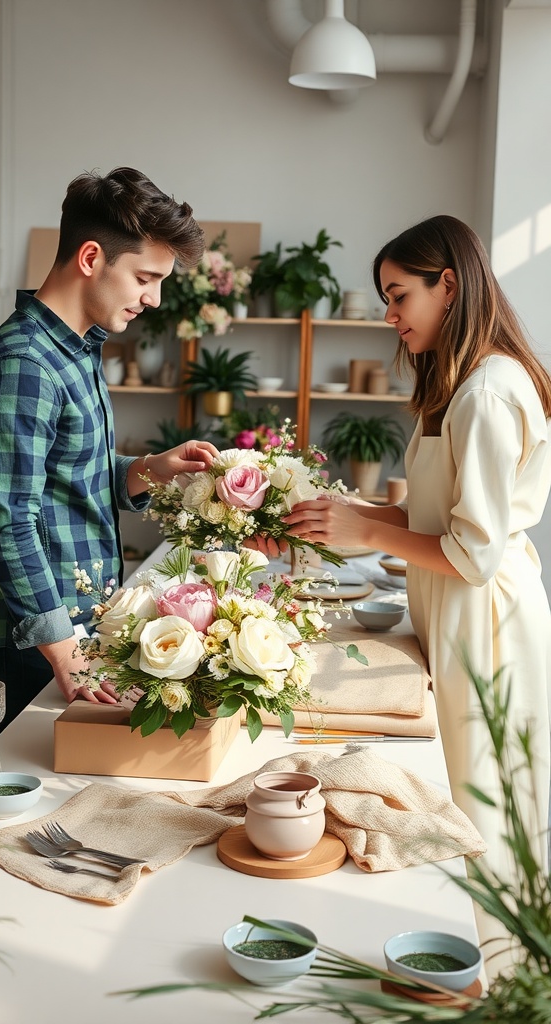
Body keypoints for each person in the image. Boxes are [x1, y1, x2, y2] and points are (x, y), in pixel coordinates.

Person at [282, 214, 551, 879]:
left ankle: (494, 969)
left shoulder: (486, 394)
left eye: (400, 295)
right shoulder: (461, 385)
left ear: (449, 286)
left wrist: (368, 530)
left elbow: (472, 553)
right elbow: (433, 512)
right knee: (464, 793)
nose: (390, 315)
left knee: (483, 805)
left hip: (486, 616)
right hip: (462, 608)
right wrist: (352, 514)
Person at [0, 166, 218, 730]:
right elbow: (4, 520)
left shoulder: (76, 349)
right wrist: (65, 653)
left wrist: (149, 471)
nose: (154, 299)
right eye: (146, 278)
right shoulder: (25, 363)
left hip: (77, 639)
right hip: (34, 651)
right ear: (91, 259)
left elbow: (68, 476)